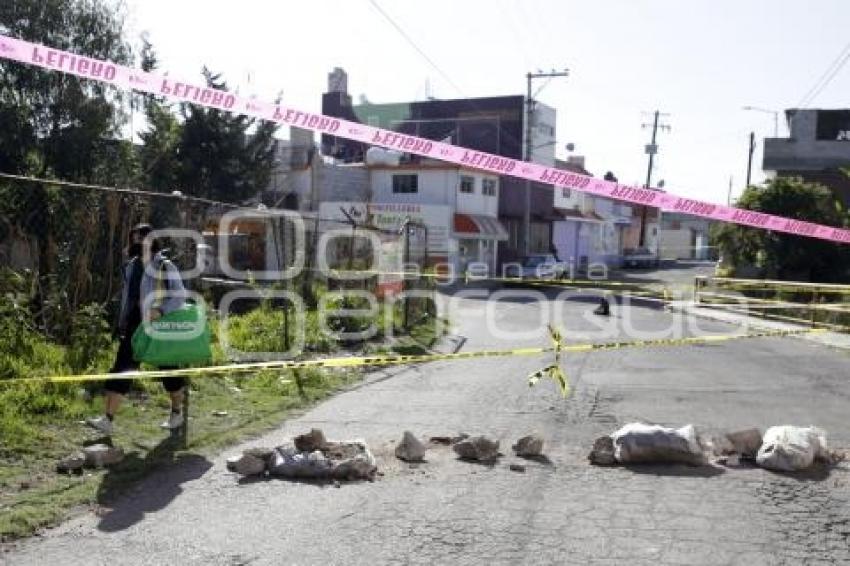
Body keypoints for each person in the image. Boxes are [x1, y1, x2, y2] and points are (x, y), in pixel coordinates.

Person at [86, 224, 188, 435]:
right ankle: (108, 419)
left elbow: (179, 296)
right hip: (134, 324)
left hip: (158, 326)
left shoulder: (164, 266)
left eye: (140, 239)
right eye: (133, 239)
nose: (136, 243)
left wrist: (160, 311)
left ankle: (177, 413)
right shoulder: (130, 266)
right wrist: (122, 321)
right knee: (122, 368)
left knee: (168, 370)